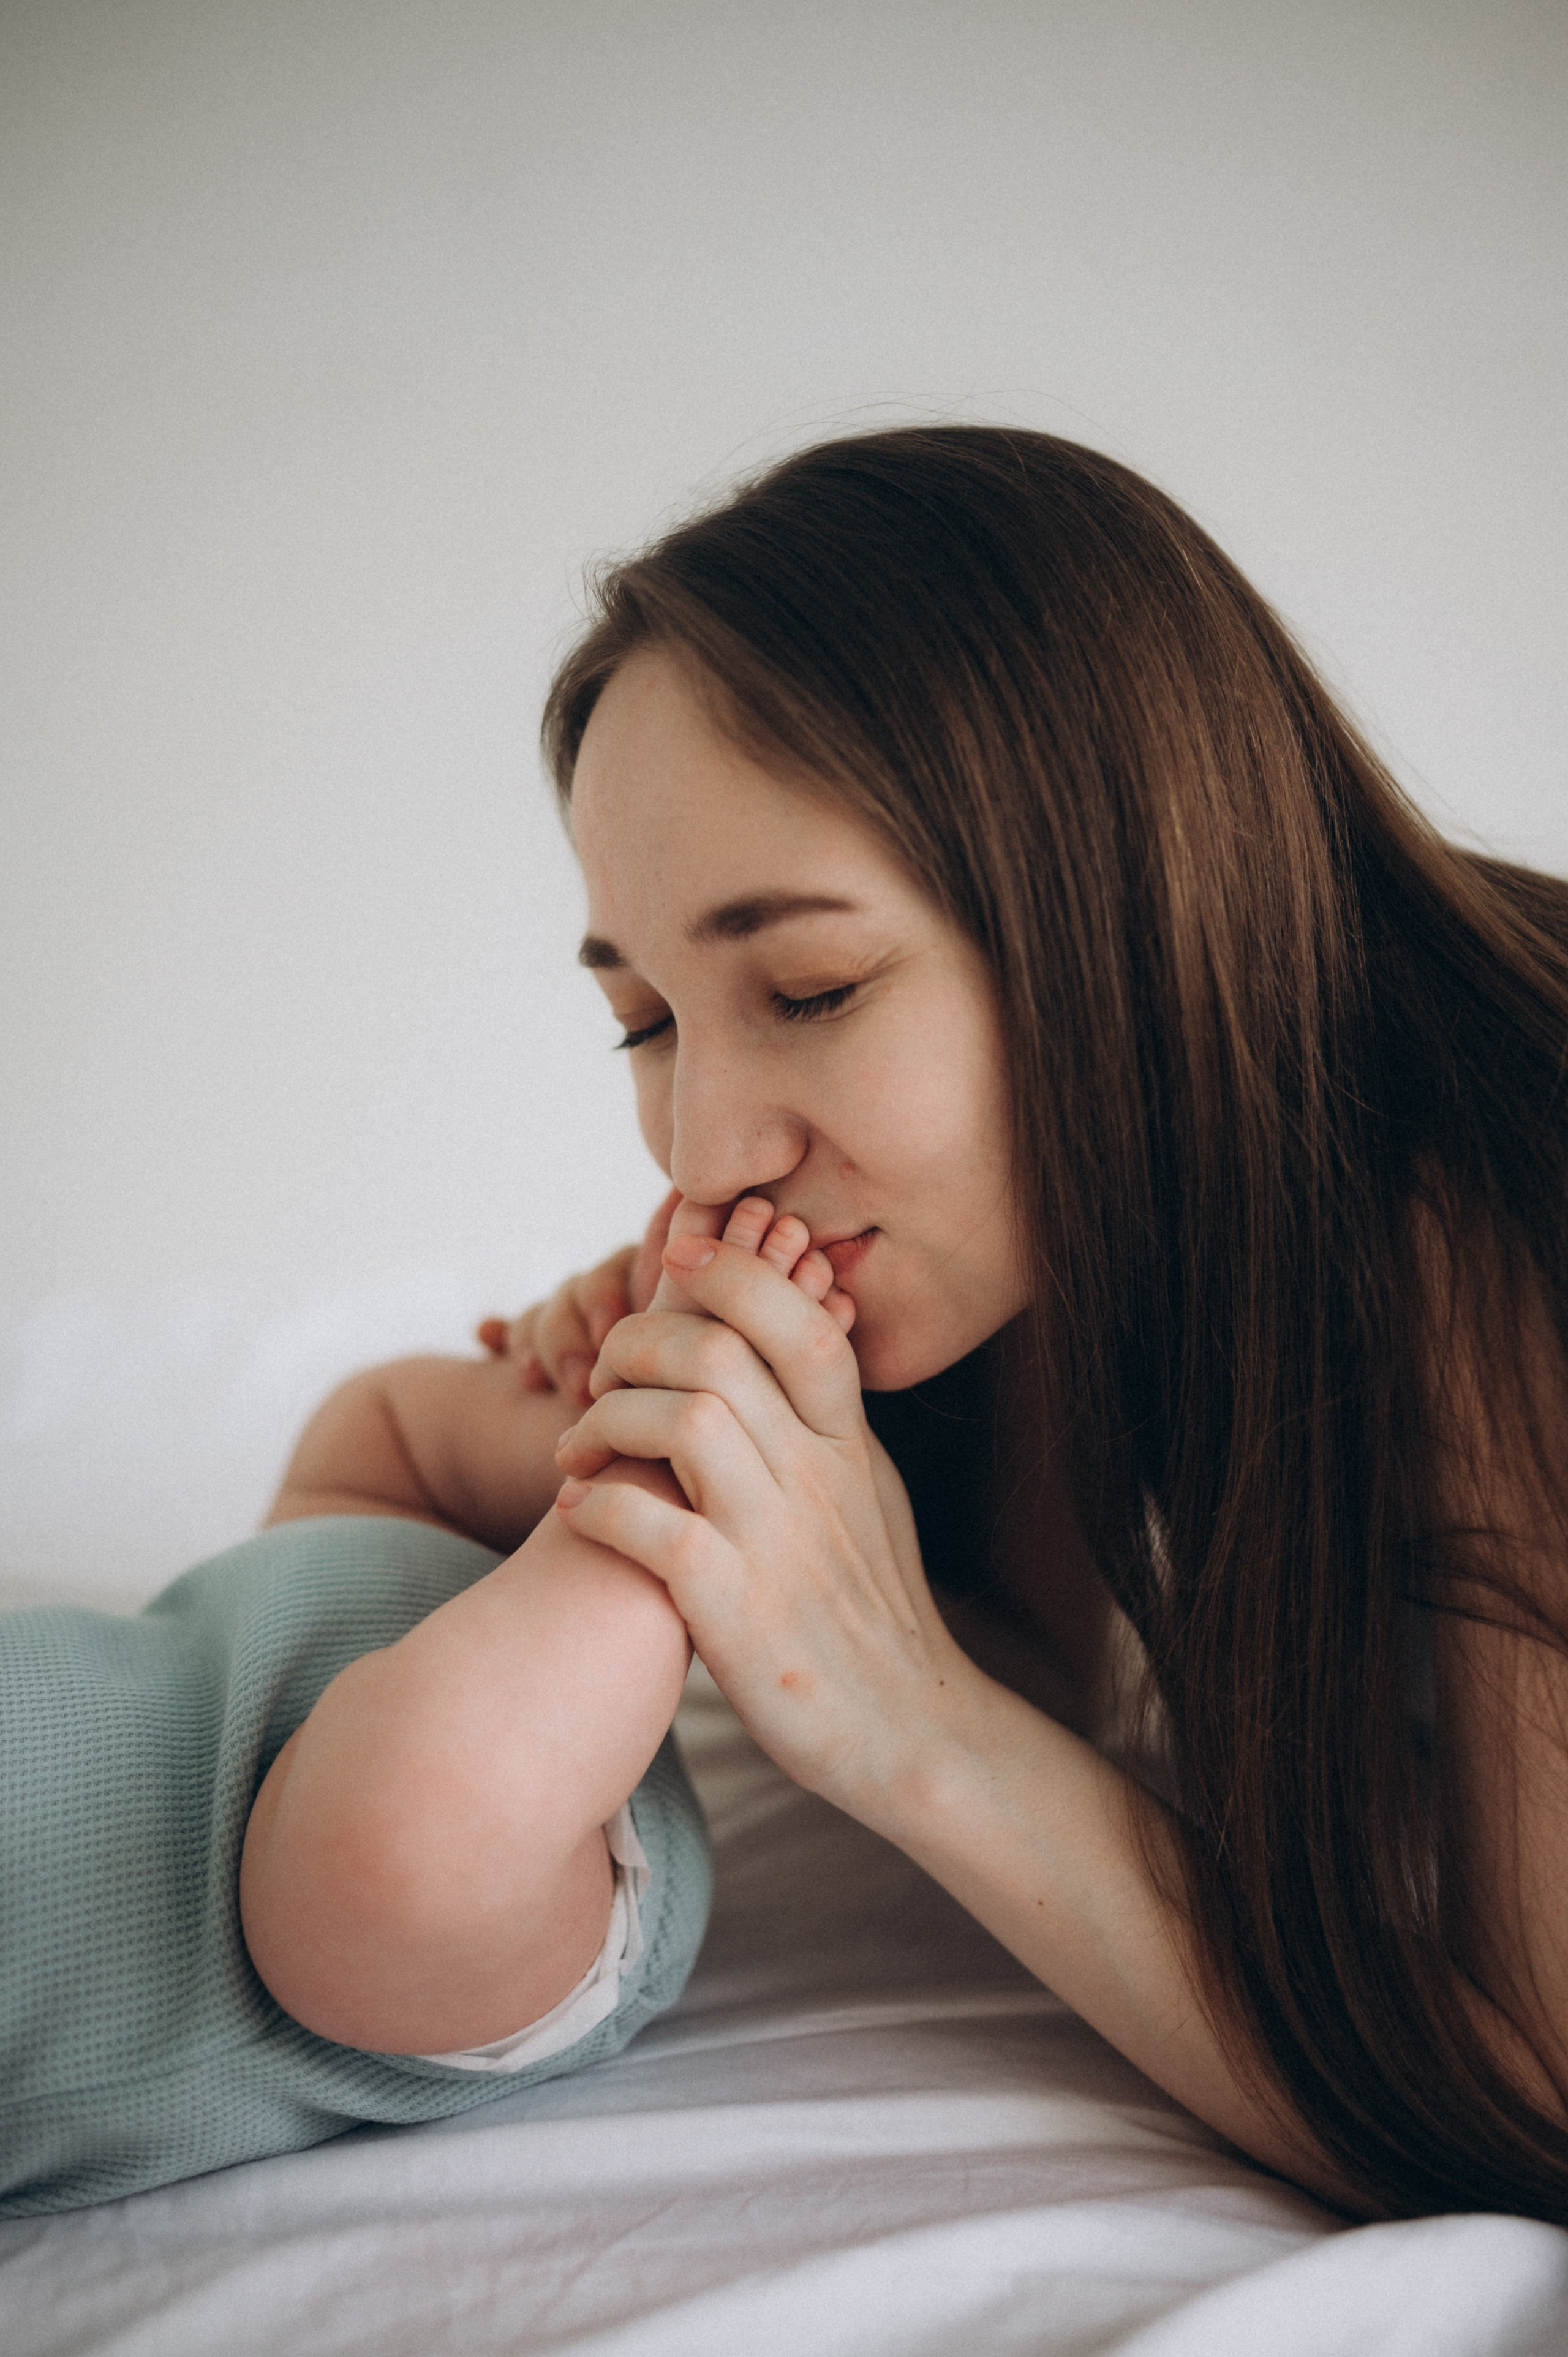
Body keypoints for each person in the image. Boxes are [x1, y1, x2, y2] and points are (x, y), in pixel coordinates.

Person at [472, 424, 1568, 2226]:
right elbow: (1057, 1652)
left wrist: (913, 1718)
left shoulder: (1486, 1205)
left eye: (809, 989)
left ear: (1120, 902)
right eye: (649, 1023)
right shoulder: (1061, 1224)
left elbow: (1535, 2114)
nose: (706, 1147)